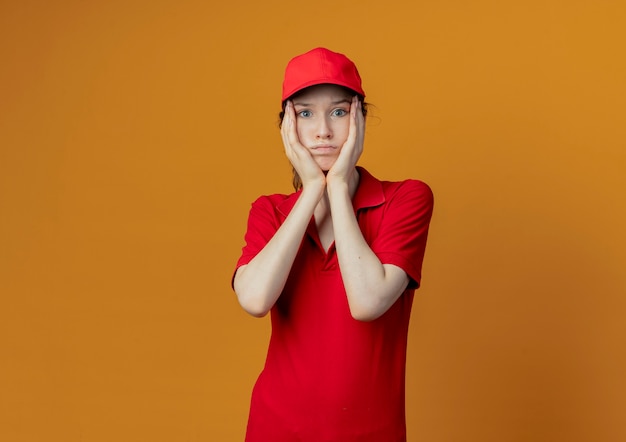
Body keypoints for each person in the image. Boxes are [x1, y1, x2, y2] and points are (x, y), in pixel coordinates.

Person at [232, 47, 434, 441]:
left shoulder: (406, 199)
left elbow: (367, 302)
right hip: (275, 428)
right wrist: (311, 190)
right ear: (287, 127)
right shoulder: (270, 212)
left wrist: (337, 186)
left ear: (359, 115)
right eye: (305, 113)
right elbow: (254, 301)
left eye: (338, 112)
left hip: (370, 432)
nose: (323, 130)